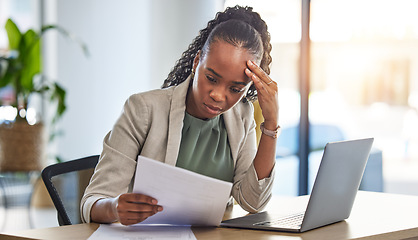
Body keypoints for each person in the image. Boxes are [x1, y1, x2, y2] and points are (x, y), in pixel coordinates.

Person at [81, 5, 279, 226]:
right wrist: (115, 208)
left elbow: (253, 202)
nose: (218, 95)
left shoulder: (241, 116)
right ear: (196, 62)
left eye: (235, 89)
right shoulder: (143, 109)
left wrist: (271, 125)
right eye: (211, 78)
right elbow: (92, 202)